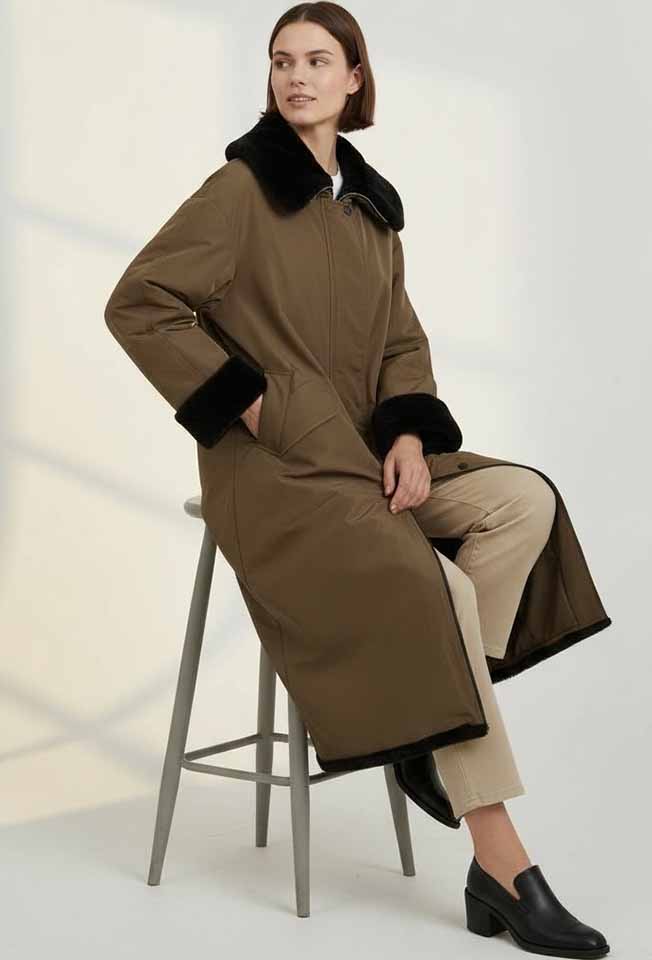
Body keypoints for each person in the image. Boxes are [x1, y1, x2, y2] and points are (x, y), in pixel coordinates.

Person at [104, 3, 611, 954]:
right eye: (281, 61)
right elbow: (141, 302)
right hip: (279, 471)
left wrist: (410, 433)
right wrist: (255, 405)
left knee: (523, 502)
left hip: (366, 459)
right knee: (442, 589)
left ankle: (424, 724)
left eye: (317, 60)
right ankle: (504, 865)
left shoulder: (371, 210)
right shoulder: (241, 190)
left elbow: (402, 343)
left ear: (354, 79)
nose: (296, 77)